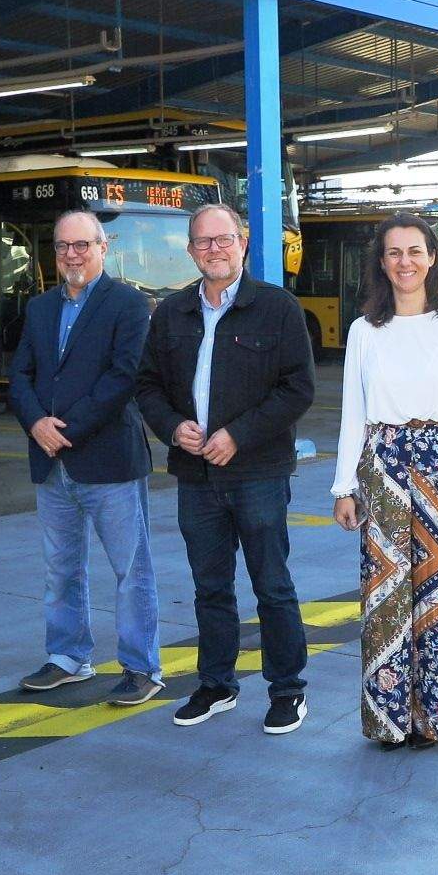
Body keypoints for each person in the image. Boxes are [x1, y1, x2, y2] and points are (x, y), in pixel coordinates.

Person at [137, 203, 316, 733]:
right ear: (190, 250)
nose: (213, 249)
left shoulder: (278, 308)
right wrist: (173, 427)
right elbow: (147, 385)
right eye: (202, 242)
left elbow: (298, 388)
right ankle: (216, 684)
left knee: (272, 585)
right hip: (196, 477)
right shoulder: (171, 314)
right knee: (210, 587)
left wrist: (239, 435)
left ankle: (286, 690)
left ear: (242, 244)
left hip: (258, 472)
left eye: (223, 239)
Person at [331, 213, 438, 747]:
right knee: (386, 597)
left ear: (432, 259)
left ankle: (437, 718)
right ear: (382, 263)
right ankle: (389, 720)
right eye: (394, 253)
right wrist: (343, 487)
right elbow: (353, 412)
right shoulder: (363, 331)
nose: (405, 262)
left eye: (415, 251)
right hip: (382, 472)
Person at [8, 208, 162, 706]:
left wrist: (63, 430)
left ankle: (141, 667)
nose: (72, 255)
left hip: (109, 462)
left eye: (82, 245)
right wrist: (36, 424)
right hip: (52, 465)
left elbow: (122, 379)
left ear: (103, 248)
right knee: (61, 569)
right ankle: (68, 658)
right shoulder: (39, 308)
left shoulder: (129, 304)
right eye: (62, 247)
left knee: (130, 569)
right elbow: (22, 376)